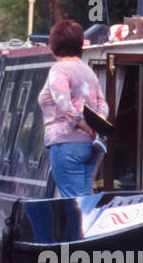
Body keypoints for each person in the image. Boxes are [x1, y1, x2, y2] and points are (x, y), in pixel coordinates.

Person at [39, 19, 109, 197]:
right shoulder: (88, 71)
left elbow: (65, 106)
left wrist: (84, 125)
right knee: (85, 199)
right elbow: (103, 104)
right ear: (80, 44)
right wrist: (97, 127)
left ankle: (76, 226)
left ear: (54, 45)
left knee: (73, 202)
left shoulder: (59, 70)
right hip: (90, 147)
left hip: (66, 144)